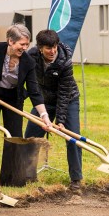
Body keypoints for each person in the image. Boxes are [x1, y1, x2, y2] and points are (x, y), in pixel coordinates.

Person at [0, 24, 52, 180]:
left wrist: (44, 116)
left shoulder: (28, 62)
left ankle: (10, 180)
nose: (24, 48)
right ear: (10, 41)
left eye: (27, 44)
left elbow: (34, 91)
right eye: (21, 44)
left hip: (13, 98)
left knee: (14, 137)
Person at [24, 29, 83, 191]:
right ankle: (28, 175)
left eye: (55, 47)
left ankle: (76, 179)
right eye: (48, 48)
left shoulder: (65, 62)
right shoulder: (31, 56)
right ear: (40, 48)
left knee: (72, 137)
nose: (53, 51)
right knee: (30, 136)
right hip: (43, 100)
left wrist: (61, 120)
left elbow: (64, 93)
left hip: (68, 99)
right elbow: (27, 82)